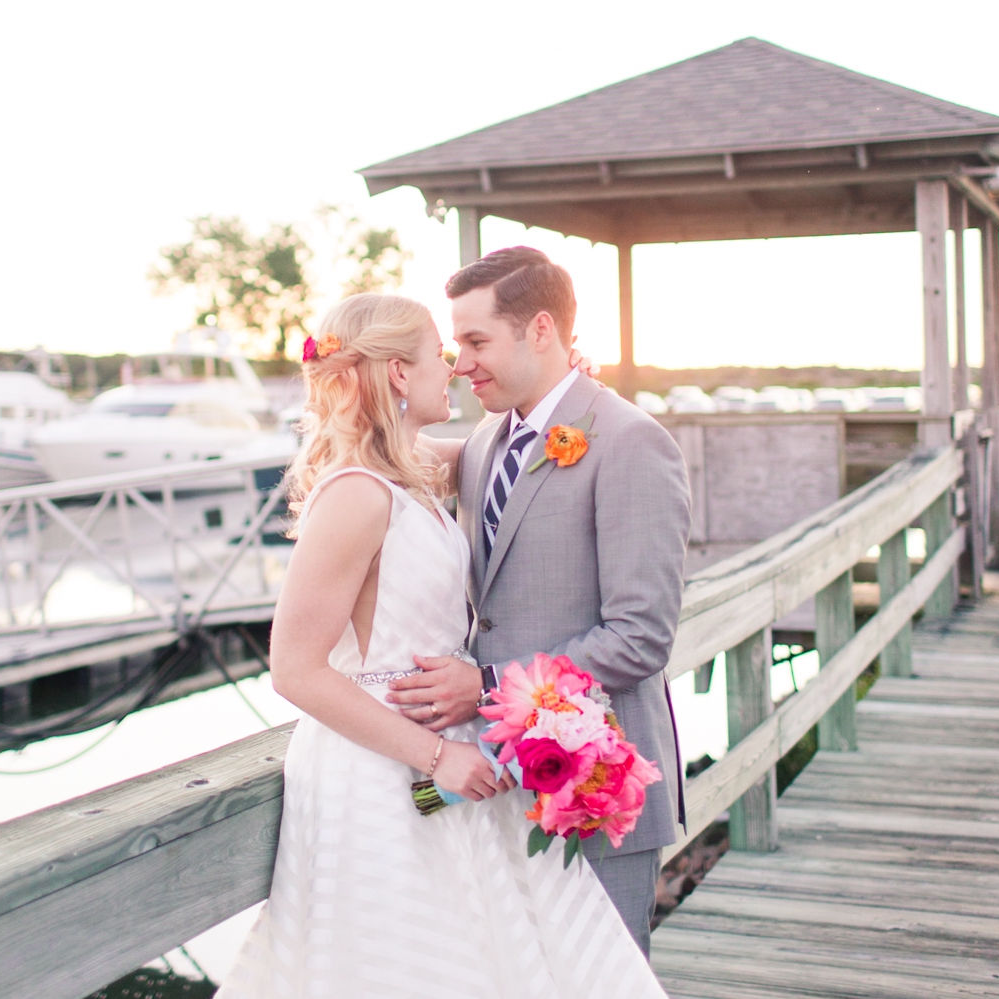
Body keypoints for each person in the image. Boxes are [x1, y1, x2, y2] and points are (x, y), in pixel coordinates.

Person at [217, 292, 666, 998]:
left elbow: (517, 460)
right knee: (401, 964)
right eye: (439, 354)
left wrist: (561, 383)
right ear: (399, 372)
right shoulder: (356, 494)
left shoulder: (411, 470)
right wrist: (437, 755)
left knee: (480, 953)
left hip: (443, 766)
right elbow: (294, 669)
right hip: (382, 767)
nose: (453, 369)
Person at [387, 246, 691, 955]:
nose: (460, 362)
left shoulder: (630, 442)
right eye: (456, 344)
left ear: (542, 330)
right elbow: (386, 460)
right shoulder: (492, 436)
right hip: (494, 785)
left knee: (601, 975)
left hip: (596, 782)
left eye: (475, 340)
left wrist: (487, 686)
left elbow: (640, 636)